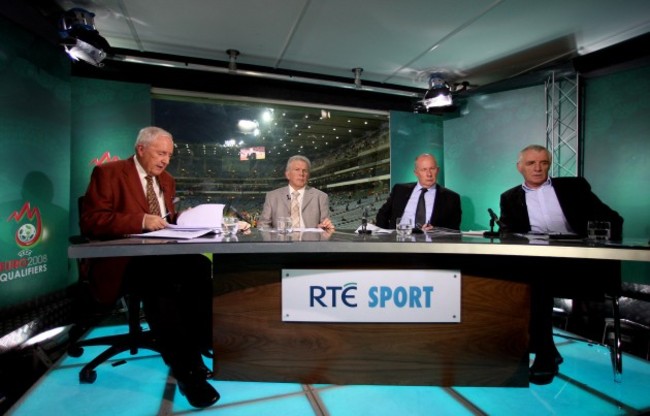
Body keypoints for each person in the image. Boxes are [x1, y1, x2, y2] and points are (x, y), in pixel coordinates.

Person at [80, 127, 219, 408]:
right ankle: (188, 372)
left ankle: (202, 340)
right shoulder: (107, 173)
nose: (166, 160)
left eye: (169, 154)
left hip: (159, 255)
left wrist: (191, 219)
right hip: (122, 263)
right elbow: (92, 220)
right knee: (160, 280)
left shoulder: (166, 180)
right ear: (141, 149)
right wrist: (140, 221)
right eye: (160, 153)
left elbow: (165, 218)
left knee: (200, 266)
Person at [498, 143, 623, 385]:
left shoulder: (573, 187)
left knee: (535, 282)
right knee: (516, 280)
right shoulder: (510, 197)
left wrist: (596, 241)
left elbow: (613, 219)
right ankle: (538, 349)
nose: (538, 168)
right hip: (538, 265)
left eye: (543, 163)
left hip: (578, 264)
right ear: (519, 167)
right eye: (532, 163)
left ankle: (543, 353)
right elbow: (508, 234)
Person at [376, 153, 461, 231]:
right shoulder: (399, 190)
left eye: (432, 169)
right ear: (416, 173)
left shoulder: (451, 198)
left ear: (437, 170)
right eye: (424, 170)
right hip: (399, 242)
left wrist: (436, 230)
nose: (429, 174)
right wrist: (386, 235)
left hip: (431, 245)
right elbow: (382, 215)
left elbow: (453, 229)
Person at [257, 155, 335, 231]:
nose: (301, 174)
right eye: (297, 169)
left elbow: (325, 226)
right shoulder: (272, 196)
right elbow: (263, 225)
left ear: (308, 175)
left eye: (305, 170)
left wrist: (326, 228)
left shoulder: (321, 197)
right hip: (281, 242)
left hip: (310, 242)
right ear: (288, 174)